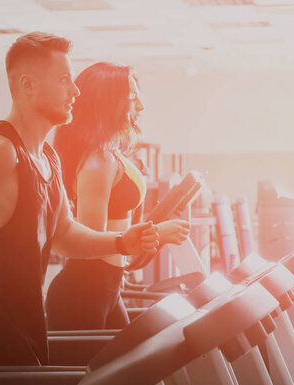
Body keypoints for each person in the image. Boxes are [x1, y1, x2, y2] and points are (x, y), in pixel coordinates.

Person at [0, 32, 159, 367]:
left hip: (25, 332)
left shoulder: (47, 157)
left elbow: (65, 235)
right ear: (28, 85)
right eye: (65, 80)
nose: (76, 92)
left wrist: (123, 241)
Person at [45, 62, 190, 331]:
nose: (141, 107)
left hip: (107, 287)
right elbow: (88, 241)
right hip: (82, 292)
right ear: (108, 104)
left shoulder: (111, 154)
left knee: (124, 369)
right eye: (133, 99)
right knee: (91, 374)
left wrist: (150, 236)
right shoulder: (96, 162)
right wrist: (156, 232)